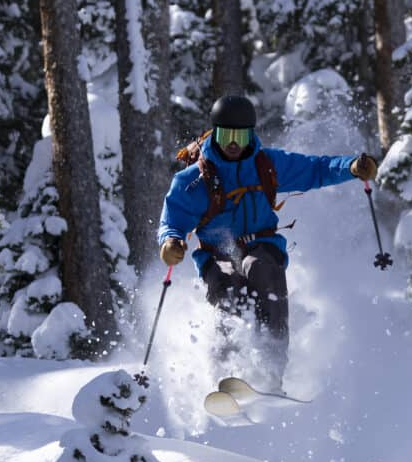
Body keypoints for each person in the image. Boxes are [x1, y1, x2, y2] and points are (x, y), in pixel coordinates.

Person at [157, 94, 377, 389]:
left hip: (262, 244)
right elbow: (173, 219)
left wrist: (350, 167)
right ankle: (227, 376)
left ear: (251, 134)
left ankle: (271, 372)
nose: (233, 143)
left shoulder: (266, 165)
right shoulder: (194, 180)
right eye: (226, 135)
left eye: (240, 135)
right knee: (228, 288)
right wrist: (171, 242)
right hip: (217, 254)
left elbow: (315, 170)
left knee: (262, 270)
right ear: (214, 133)